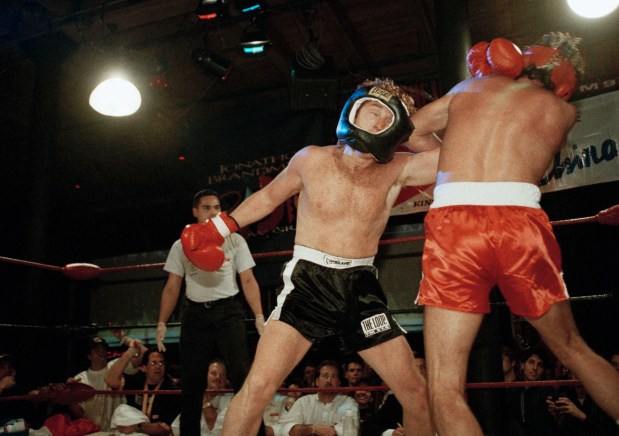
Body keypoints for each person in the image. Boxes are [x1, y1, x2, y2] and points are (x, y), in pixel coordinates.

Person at [181, 78, 440, 436]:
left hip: (360, 290)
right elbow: (269, 197)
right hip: (308, 284)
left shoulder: (397, 169)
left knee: (417, 393)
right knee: (256, 388)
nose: (378, 122)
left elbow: (456, 157)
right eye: (372, 112)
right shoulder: (312, 159)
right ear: (353, 109)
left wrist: (412, 129)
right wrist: (218, 228)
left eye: (387, 119)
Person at [411, 32, 619, 435]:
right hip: (521, 222)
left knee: (444, 385)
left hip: (456, 224)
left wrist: (455, 150)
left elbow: (411, 132)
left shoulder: (470, 87)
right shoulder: (562, 112)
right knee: (574, 349)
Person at [156, 189, 266, 435]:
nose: (213, 212)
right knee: (192, 384)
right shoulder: (180, 245)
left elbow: (248, 280)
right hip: (195, 314)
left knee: (241, 376)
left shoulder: (235, 240)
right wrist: (162, 322)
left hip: (229, 312)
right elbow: (172, 286)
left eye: (217, 207)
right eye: (207, 207)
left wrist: (259, 316)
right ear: (195, 212)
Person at [67, 335, 144, 432]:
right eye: (96, 349)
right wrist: (70, 397)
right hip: (93, 432)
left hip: (119, 431)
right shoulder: (80, 378)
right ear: (89, 356)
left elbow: (145, 355)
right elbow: (79, 414)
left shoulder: (116, 366)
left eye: (103, 348)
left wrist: (125, 339)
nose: (101, 351)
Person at [106, 345, 180, 434]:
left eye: (161, 363)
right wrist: (131, 351)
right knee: (121, 409)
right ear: (144, 368)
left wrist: (136, 426)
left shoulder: (171, 389)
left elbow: (163, 429)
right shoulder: (137, 381)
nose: (158, 366)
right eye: (153, 363)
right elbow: (110, 380)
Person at [277, 360, 359, 435]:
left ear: (339, 383)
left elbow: (351, 430)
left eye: (333, 376)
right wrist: (312, 428)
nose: (329, 380)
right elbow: (287, 428)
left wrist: (318, 430)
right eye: (325, 376)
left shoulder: (348, 402)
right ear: (317, 382)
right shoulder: (304, 401)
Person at [171, 358, 233, 436]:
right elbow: (176, 428)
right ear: (205, 377)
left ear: (226, 380)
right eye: (213, 373)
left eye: (222, 374)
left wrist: (204, 401)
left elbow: (216, 428)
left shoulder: (230, 399)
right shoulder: (195, 397)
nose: (218, 377)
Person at [504, 349, 558, 435]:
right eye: (531, 362)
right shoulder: (513, 391)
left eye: (540, 365)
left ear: (543, 370)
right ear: (522, 365)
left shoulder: (548, 391)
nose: (535, 368)